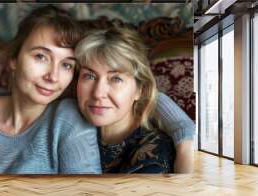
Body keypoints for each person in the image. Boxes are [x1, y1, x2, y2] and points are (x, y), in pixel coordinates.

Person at [0, 5, 102, 174]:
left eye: (66, 65)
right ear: (14, 59)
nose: (53, 76)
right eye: (41, 56)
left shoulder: (69, 120)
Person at [74, 26, 194, 173]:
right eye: (89, 76)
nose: (98, 93)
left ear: (140, 90)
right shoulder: (67, 121)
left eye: (116, 78)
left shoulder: (153, 154)